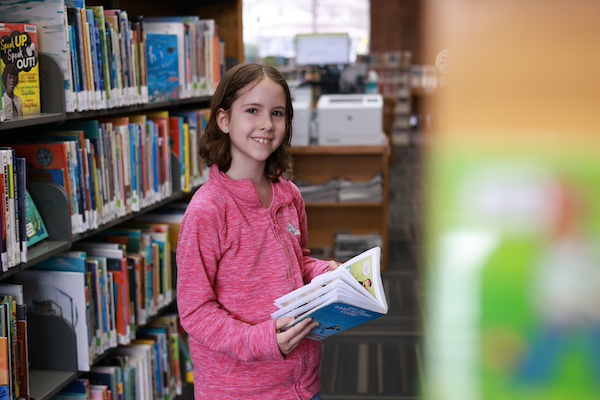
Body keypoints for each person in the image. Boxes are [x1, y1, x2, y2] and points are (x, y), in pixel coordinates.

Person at [176, 63, 339, 400]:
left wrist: (327, 273)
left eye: (277, 113)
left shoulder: (289, 195)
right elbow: (195, 311)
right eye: (252, 110)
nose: (266, 124)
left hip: (303, 384)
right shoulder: (208, 210)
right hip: (239, 390)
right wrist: (260, 341)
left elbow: (298, 263)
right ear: (224, 120)